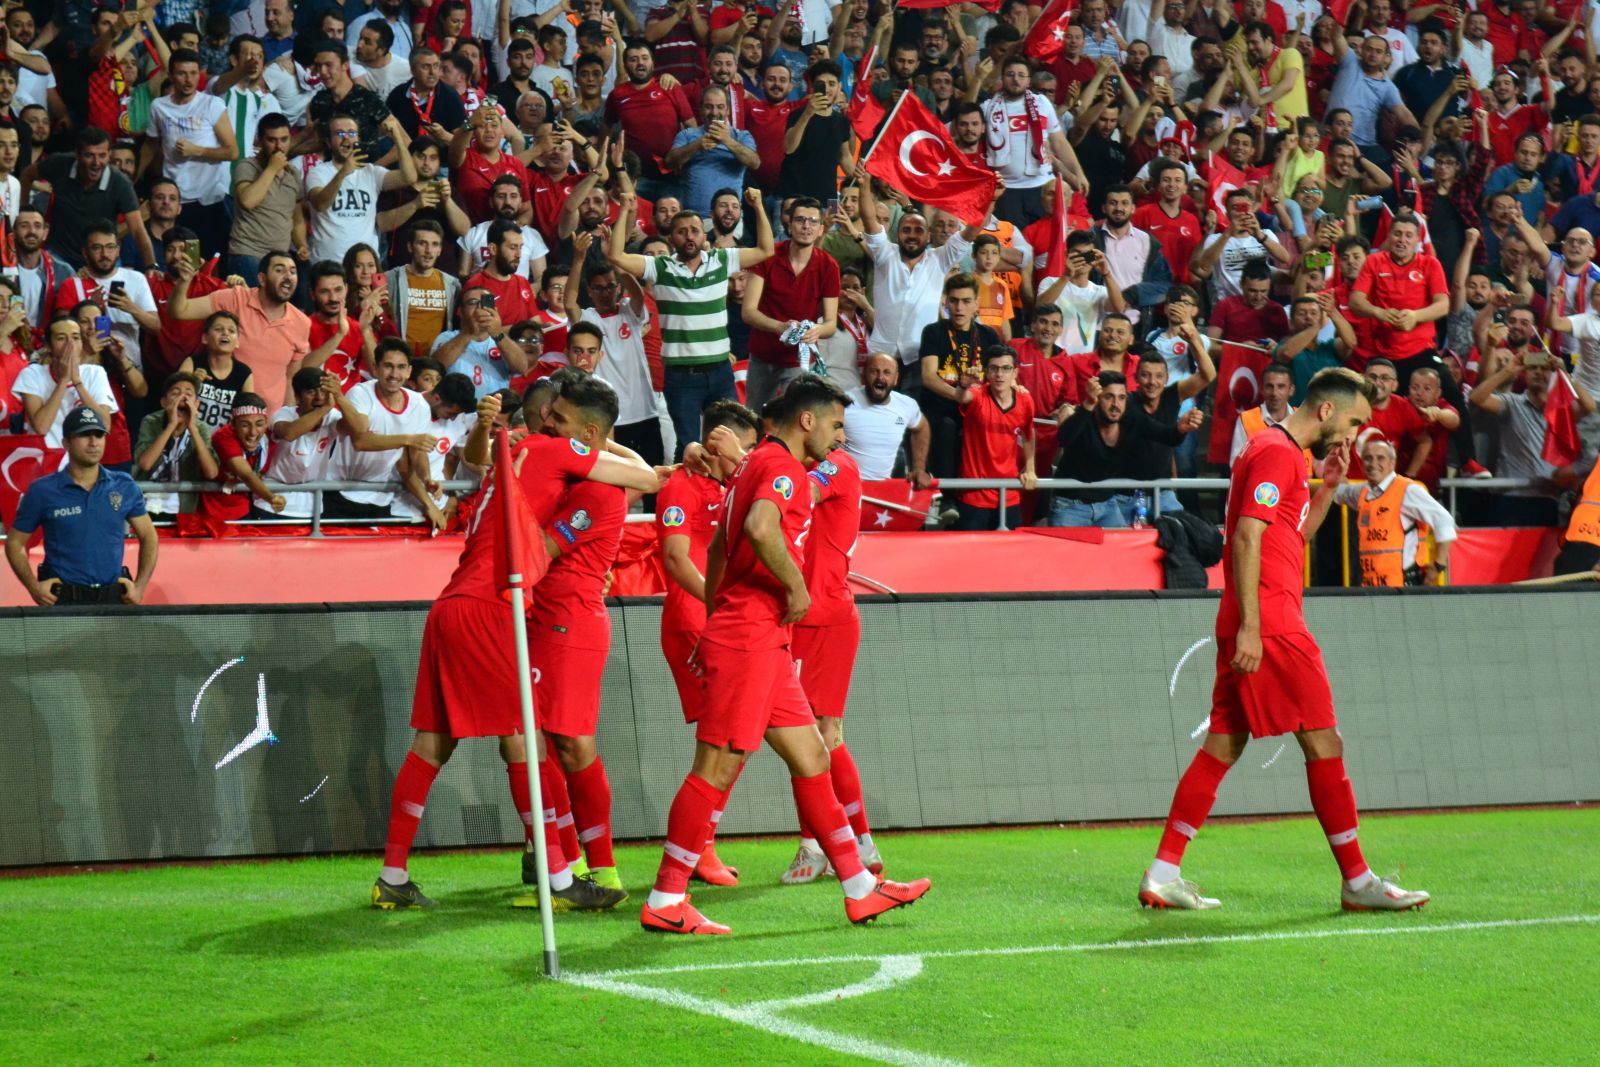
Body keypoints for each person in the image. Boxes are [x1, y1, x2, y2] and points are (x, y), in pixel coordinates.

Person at [639, 375, 930, 936]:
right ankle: (666, 897)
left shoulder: (752, 465)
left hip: (758, 635)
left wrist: (717, 610)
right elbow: (757, 527)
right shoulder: (783, 470)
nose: (840, 437)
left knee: (813, 756)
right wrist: (796, 587)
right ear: (807, 421)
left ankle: (859, 887)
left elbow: (724, 542)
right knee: (717, 767)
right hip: (750, 635)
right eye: (837, 425)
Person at [1139, 367, 1432, 913]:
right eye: (1354, 422)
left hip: (1252, 615)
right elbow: (1247, 536)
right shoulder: (1277, 453)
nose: (1356, 435)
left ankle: (1162, 872)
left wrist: (1323, 491)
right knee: (1325, 743)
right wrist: (1253, 624)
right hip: (1271, 621)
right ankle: (1358, 881)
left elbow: (1286, 535)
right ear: (1325, 411)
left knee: (1223, 744)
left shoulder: (1282, 455)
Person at [373, 383, 660, 910]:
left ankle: (392, 876)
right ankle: (558, 878)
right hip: (495, 606)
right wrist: (603, 449)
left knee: (434, 743)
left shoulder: (514, 453)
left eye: (559, 418)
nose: (551, 424)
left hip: (450, 603)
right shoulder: (554, 449)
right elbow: (646, 477)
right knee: (525, 741)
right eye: (549, 417)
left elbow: (474, 455)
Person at [655, 399, 763, 887]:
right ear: (722, 441)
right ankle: (697, 851)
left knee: (736, 743)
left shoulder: (730, 485)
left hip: (726, 621)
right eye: (745, 445)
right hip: (696, 621)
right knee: (719, 746)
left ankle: (700, 847)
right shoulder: (682, 484)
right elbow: (677, 560)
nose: (752, 454)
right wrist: (719, 603)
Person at [781, 445, 886, 882]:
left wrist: (740, 465)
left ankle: (816, 846)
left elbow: (795, 494)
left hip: (819, 616)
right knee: (824, 735)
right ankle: (857, 842)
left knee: (807, 736)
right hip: (818, 614)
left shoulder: (834, 465)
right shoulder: (822, 465)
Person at [608, 189, 773, 458]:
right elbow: (616, 257)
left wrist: (758, 207)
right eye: (682, 231)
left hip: (720, 372)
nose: (689, 236)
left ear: (704, 235)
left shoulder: (722, 260)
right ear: (671, 238)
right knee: (687, 446)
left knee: (733, 443)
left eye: (695, 230)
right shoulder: (659, 267)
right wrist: (626, 210)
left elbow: (766, 250)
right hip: (681, 376)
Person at [6, 408, 158, 607]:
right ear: (66, 443)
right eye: (84, 435)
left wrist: (140, 586)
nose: (94, 442)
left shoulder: (124, 485)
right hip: (63, 602)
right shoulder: (42, 490)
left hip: (114, 600)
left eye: (99, 435)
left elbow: (150, 536)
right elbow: (14, 544)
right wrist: (33, 587)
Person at [856, 166, 977, 367]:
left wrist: (991, 200)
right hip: (880, 355)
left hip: (921, 356)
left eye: (919, 230)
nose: (912, 235)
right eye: (906, 230)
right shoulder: (885, 253)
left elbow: (971, 232)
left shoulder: (940, 258)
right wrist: (865, 184)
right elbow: (869, 220)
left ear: (929, 236)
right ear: (897, 235)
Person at [168, 251, 311, 414]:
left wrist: (286, 419)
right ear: (262, 279)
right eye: (279, 270)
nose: (288, 276)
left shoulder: (302, 323)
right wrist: (184, 282)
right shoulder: (235, 298)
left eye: (293, 272)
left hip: (265, 423)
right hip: (223, 414)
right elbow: (179, 311)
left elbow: (290, 378)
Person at [1470, 347, 1598, 526]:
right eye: (1532, 368)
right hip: (1510, 499)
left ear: (1552, 374)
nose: (1538, 372)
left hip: (1546, 499)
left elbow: (1589, 406)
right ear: (1525, 373)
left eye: (1544, 368)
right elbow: (1476, 398)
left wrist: (1566, 375)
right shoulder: (1511, 402)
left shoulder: (1560, 410)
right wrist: (1508, 370)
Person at [326, 340, 441, 523]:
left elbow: (412, 457)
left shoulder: (418, 405)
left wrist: (427, 479)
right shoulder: (360, 394)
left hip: (381, 497)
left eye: (401, 367)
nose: (394, 374)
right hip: (339, 493)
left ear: (409, 371)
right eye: (388, 366)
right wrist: (408, 439)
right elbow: (361, 441)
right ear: (375, 367)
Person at [741, 195, 839, 411]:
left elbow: (831, 324)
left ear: (821, 229)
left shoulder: (828, 266)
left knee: (793, 421)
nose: (807, 226)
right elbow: (748, 311)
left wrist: (817, 330)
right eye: (800, 220)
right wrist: (779, 327)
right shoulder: (768, 256)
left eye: (813, 221)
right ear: (789, 224)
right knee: (755, 419)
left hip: (799, 361)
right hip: (762, 356)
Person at [1051, 372, 1185, 527]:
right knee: (1070, 551)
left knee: (1124, 548)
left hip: (1107, 503)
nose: (1116, 404)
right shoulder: (1085, 417)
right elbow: (1064, 438)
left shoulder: (1130, 418)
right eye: (1108, 397)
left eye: (1121, 398)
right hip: (1070, 505)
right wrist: (1088, 403)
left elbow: (1167, 436)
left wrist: (1181, 429)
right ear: (1098, 398)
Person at [141, 49, 237, 258]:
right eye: (182, 73)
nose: (189, 79)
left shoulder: (212, 104)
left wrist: (197, 150)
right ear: (171, 75)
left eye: (193, 73)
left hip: (209, 199)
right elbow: (151, 145)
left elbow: (232, 151)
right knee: (178, 260)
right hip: (177, 200)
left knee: (210, 261)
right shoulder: (159, 106)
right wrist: (134, 176)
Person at [26, 127, 156, 271]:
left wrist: (151, 266)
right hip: (59, 255)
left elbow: (137, 229)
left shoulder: (120, 183)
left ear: (109, 155)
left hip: (101, 258)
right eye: (89, 155)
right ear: (77, 155)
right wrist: (21, 211)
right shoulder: (59, 165)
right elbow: (27, 175)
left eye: (102, 155)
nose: (96, 162)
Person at [1334, 437, 1458, 587]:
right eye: (1368, 458)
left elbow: (1444, 520)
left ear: (1392, 464)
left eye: (1380, 458)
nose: (1373, 464)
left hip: (1404, 586)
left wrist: (1438, 565)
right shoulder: (1363, 492)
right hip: (1372, 586)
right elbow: (1335, 491)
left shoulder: (1407, 490)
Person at [305, 112, 418, 264]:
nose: (346, 138)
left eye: (351, 133)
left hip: (365, 267)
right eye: (339, 133)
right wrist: (344, 172)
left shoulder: (371, 172)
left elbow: (409, 177)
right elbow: (320, 204)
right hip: (328, 266)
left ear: (358, 139)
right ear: (328, 142)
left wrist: (397, 137)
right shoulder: (318, 172)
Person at [946, 344, 1038, 530]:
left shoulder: (1025, 400)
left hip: (1009, 493)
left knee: (1008, 555)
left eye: (1006, 369)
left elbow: (1029, 434)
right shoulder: (978, 395)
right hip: (975, 495)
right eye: (994, 368)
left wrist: (1030, 468)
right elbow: (963, 397)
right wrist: (963, 385)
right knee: (971, 556)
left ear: (1015, 372)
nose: (999, 374)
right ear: (986, 372)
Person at [268, 368, 360, 519]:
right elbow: (289, 433)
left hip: (311, 505)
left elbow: (359, 429)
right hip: (273, 501)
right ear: (297, 397)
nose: (319, 398)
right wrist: (325, 408)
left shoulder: (330, 417)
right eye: (311, 392)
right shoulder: (284, 413)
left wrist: (339, 396)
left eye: (323, 392)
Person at [13, 316, 118, 448]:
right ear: (49, 346)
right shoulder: (32, 374)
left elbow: (104, 425)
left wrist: (77, 382)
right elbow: (41, 428)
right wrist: (63, 381)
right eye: (61, 338)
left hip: (79, 460)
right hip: (45, 460)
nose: (71, 344)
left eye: (75, 337)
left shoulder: (95, 373)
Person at [664, 85, 760, 216]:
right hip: (693, 218)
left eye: (720, 107)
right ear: (701, 110)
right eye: (709, 107)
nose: (714, 113)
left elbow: (754, 163)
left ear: (728, 111)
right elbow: (669, 162)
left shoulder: (742, 136)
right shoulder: (687, 135)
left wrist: (727, 140)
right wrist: (697, 145)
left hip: (730, 219)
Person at [134, 372, 221, 518]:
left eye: (189, 393)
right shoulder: (151, 421)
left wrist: (193, 429)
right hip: (147, 500)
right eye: (176, 393)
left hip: (182, 505)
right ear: (164, 402)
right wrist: (171, 425)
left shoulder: (200, 428)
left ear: (197, 404)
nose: (183, 397)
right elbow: (145, 464)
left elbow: (211, 472)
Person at [227, 113, 302, 282]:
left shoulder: (293, 173)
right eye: (272, 140)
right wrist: (271, 169)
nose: (279, 146)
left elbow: (296, 216)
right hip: (248, 253)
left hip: (280, 260)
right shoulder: (247, 166)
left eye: (284, 139)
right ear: (259, 141)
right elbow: (247, 201)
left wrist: (301, 244)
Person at [197, 392, 289, 525]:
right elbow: (246, 475)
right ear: (233, 424)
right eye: (245, 425)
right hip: (211, 513)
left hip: (243, 509)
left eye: (259, 424)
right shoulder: (223, 437)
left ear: (266, 422)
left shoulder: (268, 438)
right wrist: (272, 498)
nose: (253, 432)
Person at [842, 353, 932, 484]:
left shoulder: (907, 405)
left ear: (896, 379)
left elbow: (922, 428)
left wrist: (919, 468)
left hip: (883, 491)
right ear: (864, 376)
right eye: (874, 371)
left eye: (887, 373)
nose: (880, 378)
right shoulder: (844, 402)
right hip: (847, 487)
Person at [387, 219, 461, 358]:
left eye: (434, 244)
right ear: (410, 247)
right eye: (422, 243)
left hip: (435, 363)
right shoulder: (391, 279)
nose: (428, 251)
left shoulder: (452, 285)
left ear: (440, 250)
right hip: (400, 360)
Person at [176, 312, 256, 436]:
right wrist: (193, 383)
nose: (225, 333)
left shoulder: (244, 373)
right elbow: (175, 400)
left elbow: (247, 414)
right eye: (219, 329)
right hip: (188, 436)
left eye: (231, 331)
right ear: (205, 338)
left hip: (224, 441)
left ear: (237, 342)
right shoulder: (192, 363)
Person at [1231, 363, 1297, 464]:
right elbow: (1236, 464)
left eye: (1281, 387)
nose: (1274, 393)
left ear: (1291, 390)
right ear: (1261, 389)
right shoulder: (1245, 420)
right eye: (1269, 386)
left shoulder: (1303, 418)